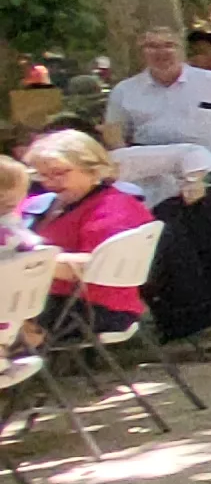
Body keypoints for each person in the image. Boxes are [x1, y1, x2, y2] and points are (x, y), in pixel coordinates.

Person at [19, 131, 152, 338]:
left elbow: (96, 265)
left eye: (60, 172)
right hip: (37, 300)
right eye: (42, 175)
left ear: (92, 169)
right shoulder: (46, 202)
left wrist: (27, 261)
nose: (50, 182)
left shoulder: (115, 206)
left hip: (91, 307)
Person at [102, 26, 211, 169]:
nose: (161, 52)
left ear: (182, 50)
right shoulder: (124, 90)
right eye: (151, 46)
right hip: (154, 170)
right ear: (140, 53)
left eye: (169, 45)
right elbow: (114, 133)